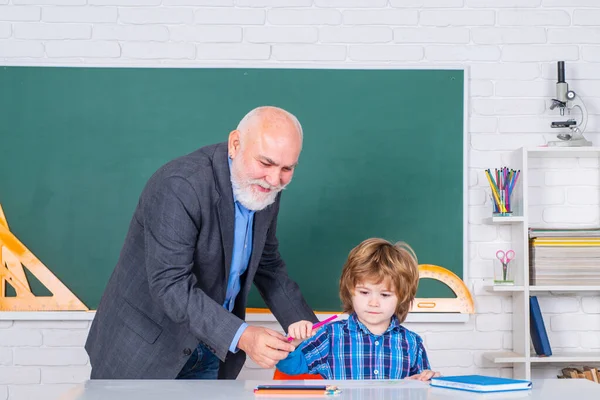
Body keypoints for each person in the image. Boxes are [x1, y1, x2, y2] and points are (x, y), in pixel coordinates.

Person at [85, 106, 318, 380]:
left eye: (287, 168)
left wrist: (313, 332)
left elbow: (267, 265)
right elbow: (170, 284)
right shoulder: (181, 185)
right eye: (265, 163)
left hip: (211, 347)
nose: (275, 179)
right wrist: (242, 336)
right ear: (235, 144)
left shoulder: (266, 188)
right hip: (146, 348)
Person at [277, 238, 440, 380]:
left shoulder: (412, 343)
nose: (373, 302)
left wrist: (428, 379)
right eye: (364, 292)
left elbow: (423, 387)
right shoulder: (330, 336)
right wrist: (294, 343)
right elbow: (289, 368)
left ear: (402, 298)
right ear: (350, 291)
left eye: (385, 295)